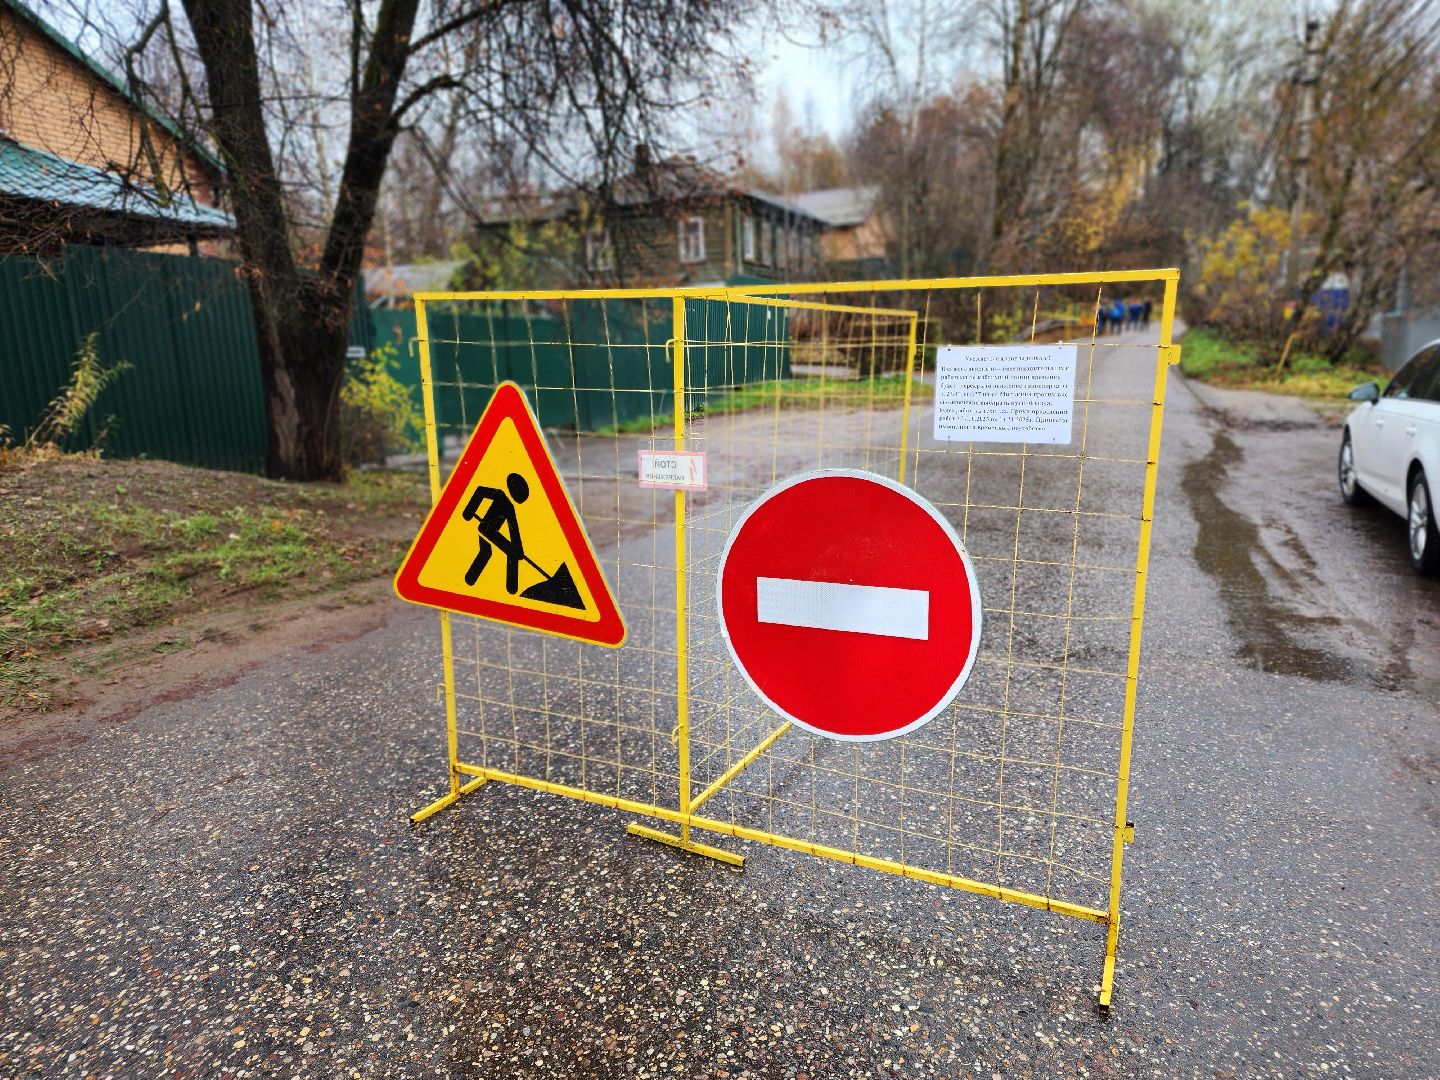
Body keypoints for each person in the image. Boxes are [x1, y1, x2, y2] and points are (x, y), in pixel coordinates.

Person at [462, 472, 531, 592]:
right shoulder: (500, 495)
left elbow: (513, 529)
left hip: (489, 531)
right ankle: (511, 588)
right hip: (487, 530)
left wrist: (519, 549)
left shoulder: (509, 507)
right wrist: (469, 511)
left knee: (487, 552)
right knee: (506, 554)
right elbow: (480, 491)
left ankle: (470, 580)